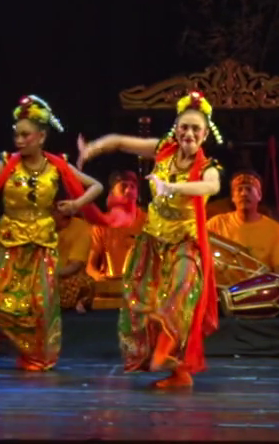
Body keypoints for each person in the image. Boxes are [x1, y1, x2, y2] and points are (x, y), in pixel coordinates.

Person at [0, 96, 106, 371]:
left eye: (25, 135)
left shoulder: (57, 166)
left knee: (36, 308)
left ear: (41, 137)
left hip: (41, 245)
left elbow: (96, 186)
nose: (19, 140)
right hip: (10, 243)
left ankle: (31, 354)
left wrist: (76, 204)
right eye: (16, 134)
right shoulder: (6, 165)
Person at [78, 91, 224, 390]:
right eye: (184, 127)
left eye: (196, 129)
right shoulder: (162, 151)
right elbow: (120, 141)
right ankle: (177, 371)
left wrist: (173, 188)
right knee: (142, 305)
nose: (189, 133)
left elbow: (211, 186)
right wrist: (93, 148)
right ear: (176, 129)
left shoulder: (209, 167)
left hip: (186, 245)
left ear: (205, 134)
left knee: (179, 296)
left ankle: (169, 355)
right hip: (153, 244)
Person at [208, 171, 279, 278]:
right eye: (239, 189)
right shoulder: (216, 223)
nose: (244, 193)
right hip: (224, 285)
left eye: (249, 189)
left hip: (259, 285)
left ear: (259, 196)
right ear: (233, 197)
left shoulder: (275, 229)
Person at [89, 171, 146, 283]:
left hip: (141, 286)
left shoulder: (148, 221)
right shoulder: (101, 225)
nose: (128, 191)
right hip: (111, 285)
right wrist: (99, 277)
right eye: (123, 186)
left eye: (133, 187)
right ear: (112, 192)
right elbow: (90, 267)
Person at [55, 210, 95, 312]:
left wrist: (51, 275)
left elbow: (75, 265)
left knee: (85, 283)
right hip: (38, 276)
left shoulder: (81, 228)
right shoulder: (38, 227)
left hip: (64, 277)